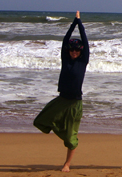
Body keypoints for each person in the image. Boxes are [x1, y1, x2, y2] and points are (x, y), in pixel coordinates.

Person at [34, 11, 89, 172]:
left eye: (76, 50)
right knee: (40, 121)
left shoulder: (83, 61)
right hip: (61, 99)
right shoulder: (65, 59)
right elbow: (65, 41)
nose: (74, 52)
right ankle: (64, 134)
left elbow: (84, 40)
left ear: (80, 52)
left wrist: (79, 23)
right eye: (72, 50)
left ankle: (67, 164)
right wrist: (73, 23)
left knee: (72, 138)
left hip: (74, 103)